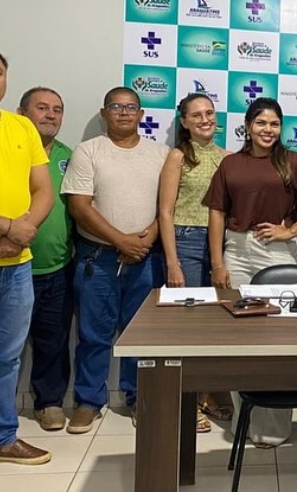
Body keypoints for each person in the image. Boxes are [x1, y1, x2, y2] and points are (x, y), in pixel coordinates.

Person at [203, 97, 297, 447]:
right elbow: (217, 213)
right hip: (236, 251)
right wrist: (217, 263)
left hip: (275, 252)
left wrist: (293, 230)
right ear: (248, 126)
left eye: (274, 124)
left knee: (277, 336)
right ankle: (244, 420)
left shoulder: (292, 161)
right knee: (238, 337)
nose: (268, 130)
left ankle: (274, 427)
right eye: (261, 123)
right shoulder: (230, 164)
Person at [62, 87, 169, 434]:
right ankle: (88, 402)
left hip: (147, 258)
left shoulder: (160, 153)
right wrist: (120, 240)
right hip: (99, 259)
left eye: (131, 107)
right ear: (104, 113)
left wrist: (146, 239)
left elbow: (169, 206)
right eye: (116, 107)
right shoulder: (88, 150)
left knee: (142, 335)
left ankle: (139, 397)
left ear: (141, 114)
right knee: (94, 335)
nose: (124, 112)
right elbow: (79, 207)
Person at [158, 93, 230, 434]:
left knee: (214, 327)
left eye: (209, 113)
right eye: (197, 115)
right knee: (187, 327)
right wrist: (173, 263)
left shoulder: (227, 157)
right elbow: (165, 212)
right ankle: (185, 402)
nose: (205, 119)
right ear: (184, 122)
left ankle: (206, 394)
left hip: (220, 245)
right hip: (185, 242)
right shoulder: (178, 156)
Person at [0, 53, 55, 465]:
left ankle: (4, 437)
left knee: (8, 356)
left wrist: (23, 231)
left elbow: (43, 190)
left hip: (17, 264)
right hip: (12, 241)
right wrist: (7, 227)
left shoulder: (21, 127)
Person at [17, 87, 74, 432]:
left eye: (57, 109)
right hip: (11, 265)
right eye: (42, 107)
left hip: (56, 267)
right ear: (22, 112)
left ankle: (49, 402)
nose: (51, 115)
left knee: (53, 340)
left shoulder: (70, 156)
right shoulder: (8, 148)